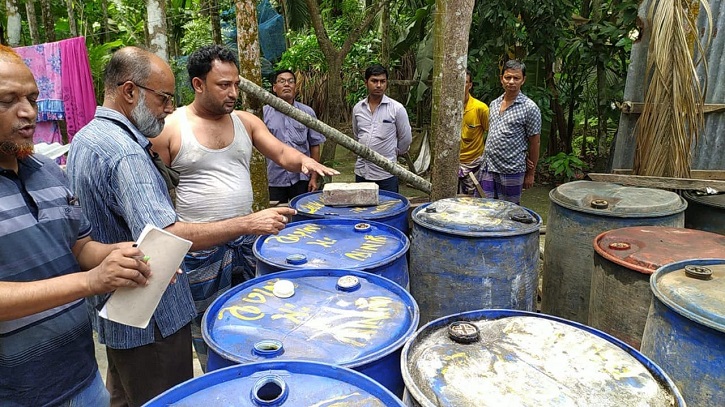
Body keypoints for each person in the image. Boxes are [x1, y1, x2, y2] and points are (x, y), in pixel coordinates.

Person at [67, 46, 317, 406]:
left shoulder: (87, 138)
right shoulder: (127, 153)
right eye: (163, 98)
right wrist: (249, 221)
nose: (168, 108)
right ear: (130, 91)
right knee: (169, 394)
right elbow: (167, 235)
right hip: (152, 312)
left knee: (125, 392)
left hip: (119, 313)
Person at [151, 45, 338, 372]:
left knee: (259, 326)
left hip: (248, 245)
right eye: (224, 85)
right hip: (200, 256)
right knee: (210, 333)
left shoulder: (246, 122)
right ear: (198, 85)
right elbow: (157, 200)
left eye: (236, 84)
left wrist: (305, 161)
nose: (233, 92)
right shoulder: (171, 128)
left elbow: (281, 153)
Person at [0, 44, 151, 407]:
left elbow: (79, 247)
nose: (29, 113)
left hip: (82, 378)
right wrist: (91, 282)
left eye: (33, 98)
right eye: (8, 100)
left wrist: (125, 255)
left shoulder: (49, 172)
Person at [477, 59, 541, 204]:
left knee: (509, 212)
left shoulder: (530, 108)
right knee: (483, 209)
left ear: (523, 80)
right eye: (508, 77)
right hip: (488, 166)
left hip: (511, 169)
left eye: (516, 78)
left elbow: (535, 142)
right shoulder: (494, 104)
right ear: (501, 79)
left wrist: (531, 173)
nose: (511, 81)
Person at [263, 69, 326, 203]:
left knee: (302, 216)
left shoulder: (307, 113)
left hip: (301, 178)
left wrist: (314, 178)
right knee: (277, 219)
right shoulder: (263, 114)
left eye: (291, 81)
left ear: (295, 87)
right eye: (282, 81)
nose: (287, 84)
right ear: (274, 88)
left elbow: (315, 146)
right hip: (274, 179)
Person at [351, 64, 412, 193]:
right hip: (362, 171)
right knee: (362, 211)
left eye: (382, 81)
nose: (379, 85)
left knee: (388, 209)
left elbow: (405, 139)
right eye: (374, 81)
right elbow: (357, 135)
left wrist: (393, 154)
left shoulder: (397, 109)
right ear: (366, 83)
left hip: (386, 174)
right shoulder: (358, 108)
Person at [458, 69, 489, 195]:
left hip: (473, 164)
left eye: (465, 82)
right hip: (452, 163)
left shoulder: (480, 108)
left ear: (470, 85)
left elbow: (491, 133)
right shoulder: (448, 107)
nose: (461, 85)